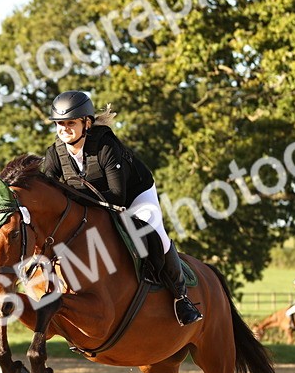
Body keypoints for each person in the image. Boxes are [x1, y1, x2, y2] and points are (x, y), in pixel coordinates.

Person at [40, 90, 202, 325]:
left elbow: (117, 196)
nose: (64, 128)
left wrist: (72, 198)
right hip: (95, 204)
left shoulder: (105, 146)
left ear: (86, 123)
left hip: (135, 195)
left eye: (70, 123)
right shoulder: (55, 154)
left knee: (152, 231)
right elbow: (47, 192)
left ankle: (181, 298)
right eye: (59, 123)